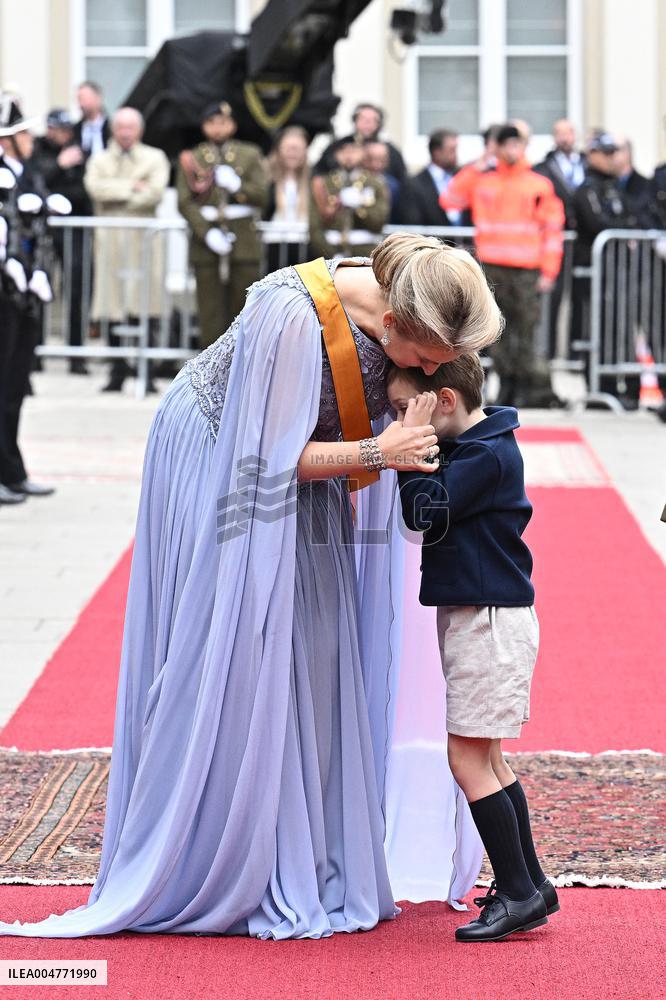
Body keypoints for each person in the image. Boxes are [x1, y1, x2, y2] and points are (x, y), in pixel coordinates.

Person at [0, 232, 503, 938]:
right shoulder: (293, 315)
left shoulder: (406, 308)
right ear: (393, 321)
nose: (430, 371)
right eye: (425, 357)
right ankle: (217, 848)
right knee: (237, 646)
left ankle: (299, 848)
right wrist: (376, 450)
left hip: (311, 469)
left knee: (317, 646)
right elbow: (262, 460)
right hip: (223, 467)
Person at [390, 355, 557, 943]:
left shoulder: (485, 454)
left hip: (488, 620)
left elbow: (422, 513)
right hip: (482, 613)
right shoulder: (476, 445)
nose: (399, 423)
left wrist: (407, 453)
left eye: (405, 410)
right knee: (490, 760)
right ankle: (532, 884)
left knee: (467, 761)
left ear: (443, 402)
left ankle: (517, 894)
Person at [442, 123, 565, 407]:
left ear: (524, 147)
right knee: (496, 329)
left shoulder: (538, 184)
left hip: (526, 269)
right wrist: (479, 163)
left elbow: (552, 230)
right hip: (493, 267)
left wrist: (549, 270)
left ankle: (524, 387)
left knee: (525, 329)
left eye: (515, 144)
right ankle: (506, 384)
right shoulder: (483, 180)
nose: (511, 150)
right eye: (504, 144)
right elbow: (450, 198)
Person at [84, 107, 170, 392]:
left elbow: (154, 193)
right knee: (113, 306)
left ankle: (147, 372)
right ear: (113, 129)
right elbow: (95, 189)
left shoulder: (155, 157)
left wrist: (117, 195)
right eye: (120, 126)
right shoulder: (99, 159)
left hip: (144, 243)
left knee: (145, 304)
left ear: (140, 130)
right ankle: (117, 371)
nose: (124, 132)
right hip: (111, 243)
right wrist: (132, 187)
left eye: (130, 127)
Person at [176, 101, 268, 350]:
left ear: (233, 125)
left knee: (244, 309)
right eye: (212, 122)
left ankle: (243, 363)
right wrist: (207, 233)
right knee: (210, 312)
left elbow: (263, 196)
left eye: (223, 122)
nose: (218, 128)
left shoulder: (249, 154)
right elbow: (184, 202)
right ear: (204, 126)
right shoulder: (193, 157)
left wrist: (238, 187)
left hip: (243, 240)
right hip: (206, 242)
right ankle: (210, 365)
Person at [0, 93, 55, 504]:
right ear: (6, 140)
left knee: (15, 385)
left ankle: (12, 470)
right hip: (4, 293)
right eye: (23, 134)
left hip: (26, 297)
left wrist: (40, 272)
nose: (31, 139)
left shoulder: (27, 173)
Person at [33, 108, 91, 374]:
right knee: (40, 289)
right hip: (45, 232)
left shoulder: (78, 150)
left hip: (73, 231)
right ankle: (35, 353)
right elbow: (37, 182)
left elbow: (83, 192)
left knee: (76, 291)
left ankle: (76, 355)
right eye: (60, 129)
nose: (65, 134)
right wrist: (59, 165)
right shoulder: (37, 149)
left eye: (68, 129)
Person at [309, 136, 389, 259]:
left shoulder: (374, 183)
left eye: (354, 150)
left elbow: (379, 222)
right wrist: (330, 254)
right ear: (336, 154)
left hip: (364, 252)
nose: (349, 155)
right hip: (332, 252)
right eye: (343, 150)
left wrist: (359, 207)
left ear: (363, 153)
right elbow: (314, 227)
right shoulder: (324, 183)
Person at [314, 102, 406, 183]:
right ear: (355, 121)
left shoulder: (390, 151)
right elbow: (320, 171)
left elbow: (401, 177)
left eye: (373, 120)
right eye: (363, 119)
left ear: (379, 124)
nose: (367, 123)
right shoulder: (339, 146)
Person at [263, 125, 310, 270]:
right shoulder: (267, 177)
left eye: (297, 149)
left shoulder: (311, 179)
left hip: (304, 243)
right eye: (288, 148)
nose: (292, 154)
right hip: (273, 242)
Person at [396, 129, 460, 228]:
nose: (456, 155)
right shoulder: (414, 185)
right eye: (452, 150)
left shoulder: (461, 177)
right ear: (437, 152)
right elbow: (413, 221)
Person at [73, 81, 110, 160]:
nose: (81, 104)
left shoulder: (111, 128)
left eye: (84, 99)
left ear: (98, 98)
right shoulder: (75, 130)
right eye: (79, 100)